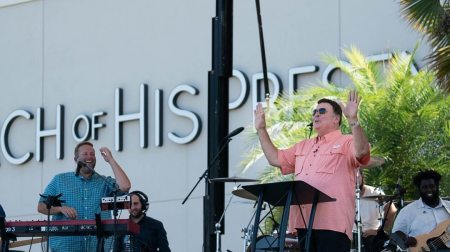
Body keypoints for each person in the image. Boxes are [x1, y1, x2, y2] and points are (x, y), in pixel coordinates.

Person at [254, 91, 371, 252]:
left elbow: (362, 152)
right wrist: (261, 129)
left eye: (322, 111)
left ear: (336, 119)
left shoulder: (346, 141)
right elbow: (275, 159)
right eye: (314, 112)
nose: (316, 115)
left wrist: (353, 120)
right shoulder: (303, 145)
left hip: (332, 225)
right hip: (303, 224)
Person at [37, 141, 131, 252]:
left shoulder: (104, 181)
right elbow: (41, 206)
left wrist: (111, 160)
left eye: (92, 154)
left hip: (98, 247)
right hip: (66, 247)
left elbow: (125, 186)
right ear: (76, 159)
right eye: (85, 154)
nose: (89, 156)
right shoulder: (60, 180)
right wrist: (60, 209)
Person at [390, 170, 450, 251]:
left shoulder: (448, 206)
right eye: (425, 187)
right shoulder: (407, 211)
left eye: (432, 186)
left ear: (437, 186)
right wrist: (405, 240)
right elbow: (396, 234)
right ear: (419, 189)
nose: (429, 190)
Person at [355, 169, 397, 252]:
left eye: (357, 177)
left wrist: (379, 231)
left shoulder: (375, 192)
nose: (354, 180)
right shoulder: (345, 194)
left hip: (371, 235)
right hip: (352, 235)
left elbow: (392, 210)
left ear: (362, 177)